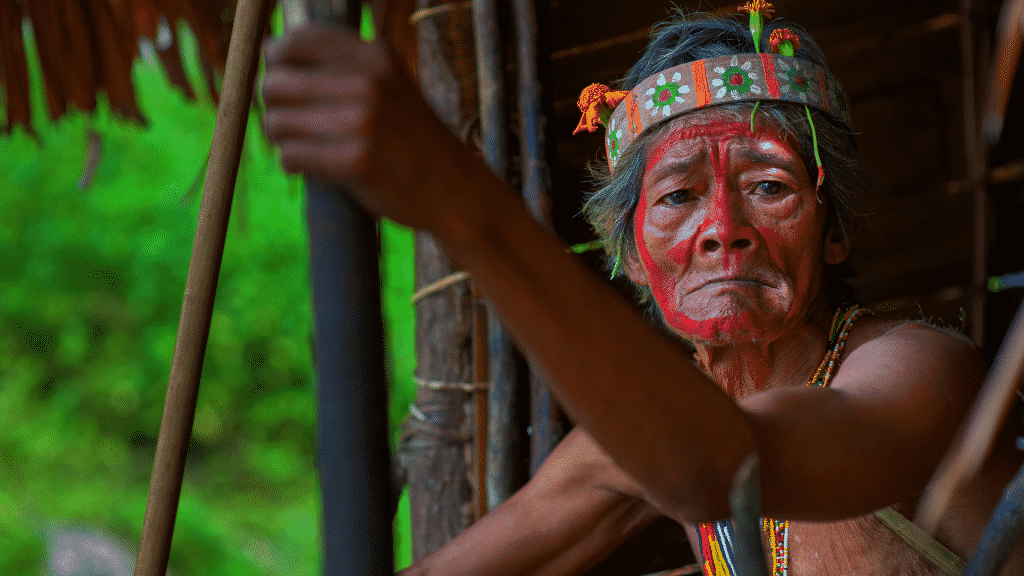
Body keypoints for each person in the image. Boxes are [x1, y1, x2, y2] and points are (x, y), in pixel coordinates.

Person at [261, 5, 1024, 575]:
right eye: (678, 198)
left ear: (833, 233)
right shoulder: (639, 445)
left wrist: (460, 202)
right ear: (627, 254)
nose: (725, 229)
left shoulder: (923, 373)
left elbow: (721, 470)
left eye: (769, 185)